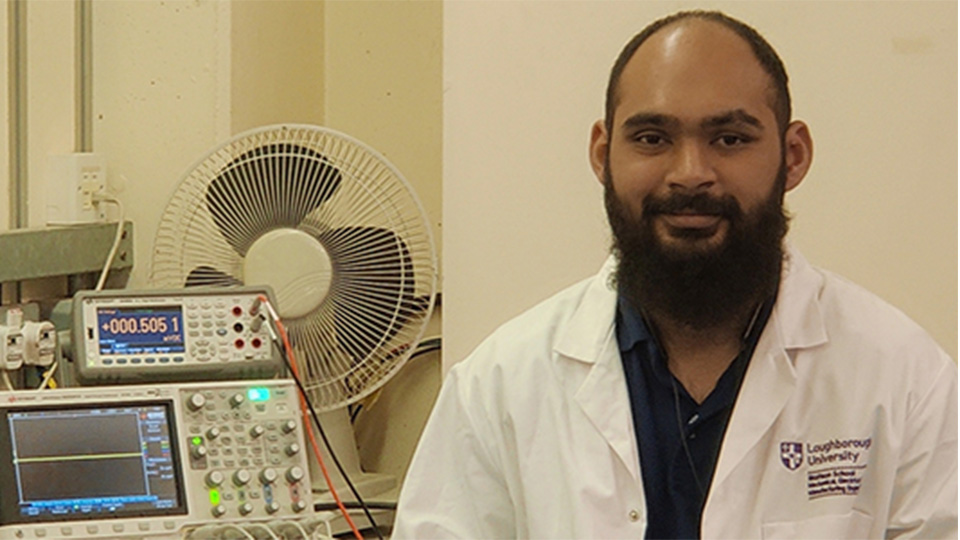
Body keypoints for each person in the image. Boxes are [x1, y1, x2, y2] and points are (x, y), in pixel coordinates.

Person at [393, 10, 957, 539]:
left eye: (730, 139)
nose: (691, 174)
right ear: (602, 153)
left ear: (793, 155)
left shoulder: (904, 380)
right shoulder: (500, 388)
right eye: (652, 138)